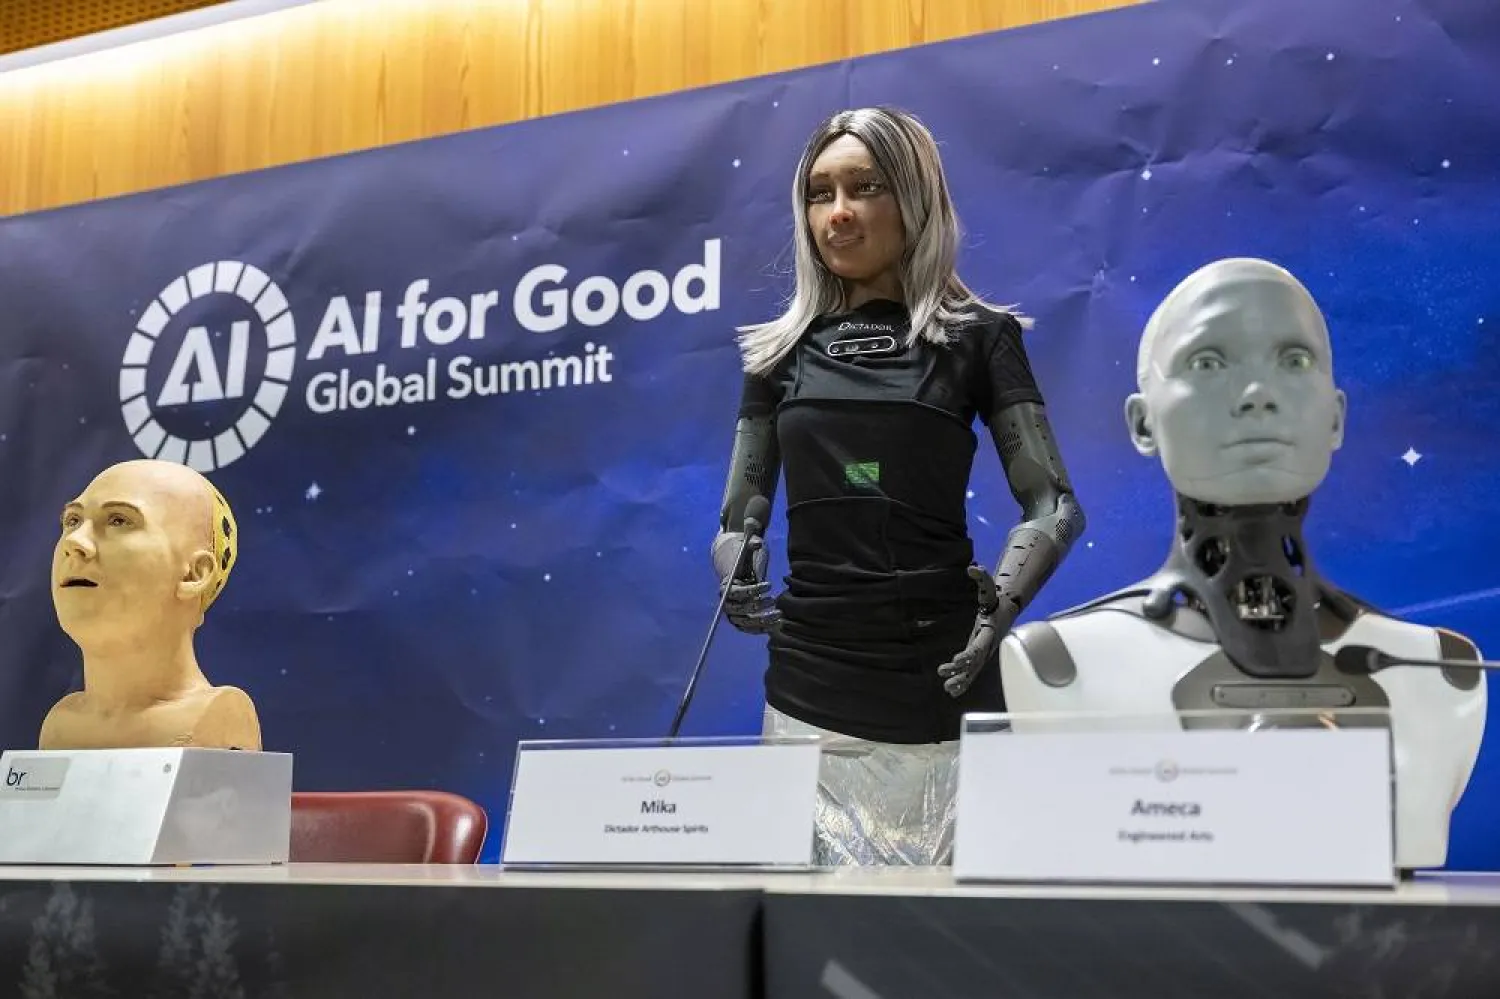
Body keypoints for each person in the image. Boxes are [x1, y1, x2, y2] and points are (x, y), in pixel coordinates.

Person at [999, 257, 1488, 870]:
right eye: (1208, 363)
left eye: (1294, 361)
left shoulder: (1443, 672)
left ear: (1336, 417)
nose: (1258, 395)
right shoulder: (1059, 667)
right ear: (1143, 423)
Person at [711, 106, 1086, 865]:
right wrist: (734, 567)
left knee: (949, 930)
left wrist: (1001, 611)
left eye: (865, 187)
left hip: (943, 680)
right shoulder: (776, 356)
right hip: (808, 692)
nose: (839, 212)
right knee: (807, 928)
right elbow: (739, 515)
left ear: (915, 198)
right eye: (820, 193)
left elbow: (1053, 504)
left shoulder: (979, 338)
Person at [40, 458, 262, 751]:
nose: (75, 541)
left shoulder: (219, 721)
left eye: (118, 520)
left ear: (194, 574)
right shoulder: (60, 727)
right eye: (73, 521)